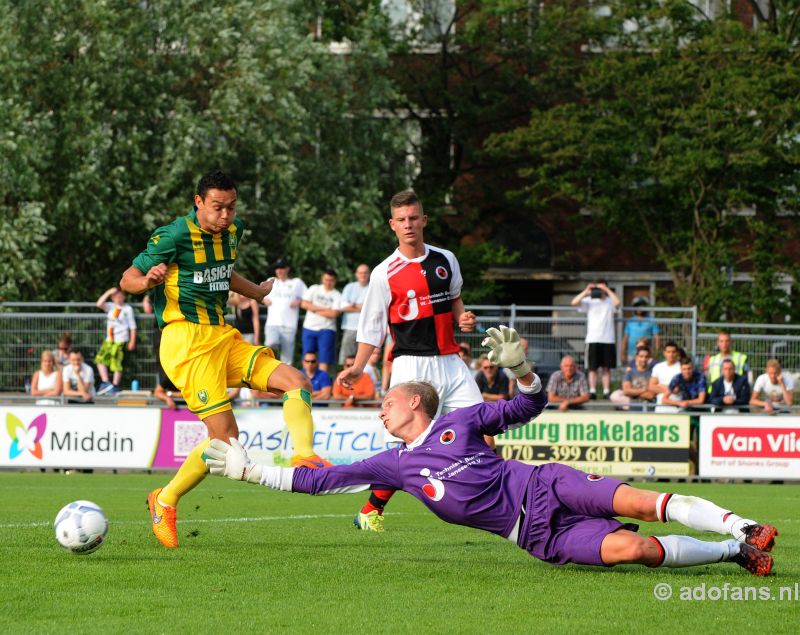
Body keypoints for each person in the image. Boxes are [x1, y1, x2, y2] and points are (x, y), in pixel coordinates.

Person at [207, 325, 777, 577]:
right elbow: (320, 482)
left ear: (416, 403)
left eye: (389, 401)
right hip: (535, 535)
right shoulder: (395, 466)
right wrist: (248, 470)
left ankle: (744, 526)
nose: (381, 409)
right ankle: (731, 554)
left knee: (639, 502)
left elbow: (529, 405)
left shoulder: (462, 420)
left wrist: (523, 370)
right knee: (632, 550)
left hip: (544, 483)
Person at [119, 169, 330, 550]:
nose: (226, 215)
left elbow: (225, 272)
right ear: (198, 202)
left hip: (223, 336)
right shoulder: (174, 236)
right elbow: (127, 279)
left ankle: (305, 458)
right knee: (227, 442)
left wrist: (258, 292)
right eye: (217, 207)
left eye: (231, 207)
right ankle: (164, 500)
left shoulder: (233, 232)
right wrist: (149, 280)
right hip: (186, 342)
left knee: (295, 381)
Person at [336, 190, 483, 532]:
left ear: (424, 220)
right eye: (401, 220)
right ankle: (370, 511)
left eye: (413, 218)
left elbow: (456, 301)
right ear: (392, 225)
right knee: (405, 448)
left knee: (482, 430)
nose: (408, 225)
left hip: (450, 361)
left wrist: (464, 319)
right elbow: (371, 327)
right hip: (411, 365)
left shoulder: (446, 259)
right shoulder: (384, 272)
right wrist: (358, 367)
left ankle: (489, 497)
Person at [571, 280, 621, 399]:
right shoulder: (589, 301)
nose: (599, 290)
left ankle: (606, 391)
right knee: (592, 368)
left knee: (606, 368)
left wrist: (607, 290)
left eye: (602, 288)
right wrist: (587, 291)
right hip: (593, 339)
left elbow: (618, 303)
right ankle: (592, 391)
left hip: (608, 339)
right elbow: (574, 302)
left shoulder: (610, 301)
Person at [94, 287, 137, 395]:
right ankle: (105, 382)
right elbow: (99, 304)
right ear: (113, 298)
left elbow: (132, 326)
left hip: (121, 339)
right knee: (100, 359)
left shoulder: (127, 309)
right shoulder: (110, 307)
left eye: (121, 297)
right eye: (116, 297)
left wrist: (132, 341)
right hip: (110, 340)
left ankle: (115, 385)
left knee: (116, 362)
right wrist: (108, 292)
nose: (119, 299)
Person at [262, 258, 306, 365]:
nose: (279, 270)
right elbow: (259, 294)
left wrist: (299, 301)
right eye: (277, 268)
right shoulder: (271, 281)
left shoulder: (296, 282)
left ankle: (285, 380)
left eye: (281, 268)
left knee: (287, 357)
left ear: (287, 269)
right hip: (272, 323)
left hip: (289, 325)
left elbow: (308, 297)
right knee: (270, 344)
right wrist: (263, 300)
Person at [301, 269, 342, 374]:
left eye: (331, 280)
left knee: (324, 359)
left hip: (327, 330)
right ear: (322, 279)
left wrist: (313, 308)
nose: (328, 282)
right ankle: (306, 382)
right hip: (309, 327)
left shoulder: (337, 295)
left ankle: (322, 384)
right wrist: (325, 310)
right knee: (307, 357)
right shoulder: (314, 288)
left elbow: (334, 314)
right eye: (326, 279)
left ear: (335, 281)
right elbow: (304, 304)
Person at [339, 264, 370, 366]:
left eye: (365, 272)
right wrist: (363, 307)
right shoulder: (349, 287)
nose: (363, 275)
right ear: (356, 274)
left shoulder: (372, 287)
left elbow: (372, 308)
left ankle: (364, 381)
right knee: (346, 358)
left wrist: (353, 305)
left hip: (367, 328)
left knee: (364, 360)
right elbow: (342, 306)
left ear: (369, 274)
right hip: (349, 327)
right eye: (360, 273)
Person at [620, 297, 660, 365]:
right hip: (632, 353)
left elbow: (657, 338)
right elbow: (625, 338)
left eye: (642, 306)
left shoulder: (651, 320)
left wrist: (656, 353)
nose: (640, 308)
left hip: (646, 354)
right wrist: (622, 352)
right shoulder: (630, 321)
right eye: (637, 306)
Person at [648, 341, 682, 411]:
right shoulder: (658, 367)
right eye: (668, 352)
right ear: (664, 353)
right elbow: (651, 387)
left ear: (677, 353)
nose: (671, 354)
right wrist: (671, 388)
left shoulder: (682, 368)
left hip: (678, 408)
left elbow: (679, 389)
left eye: (673, 352)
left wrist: (660, 386)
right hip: (661, 408)